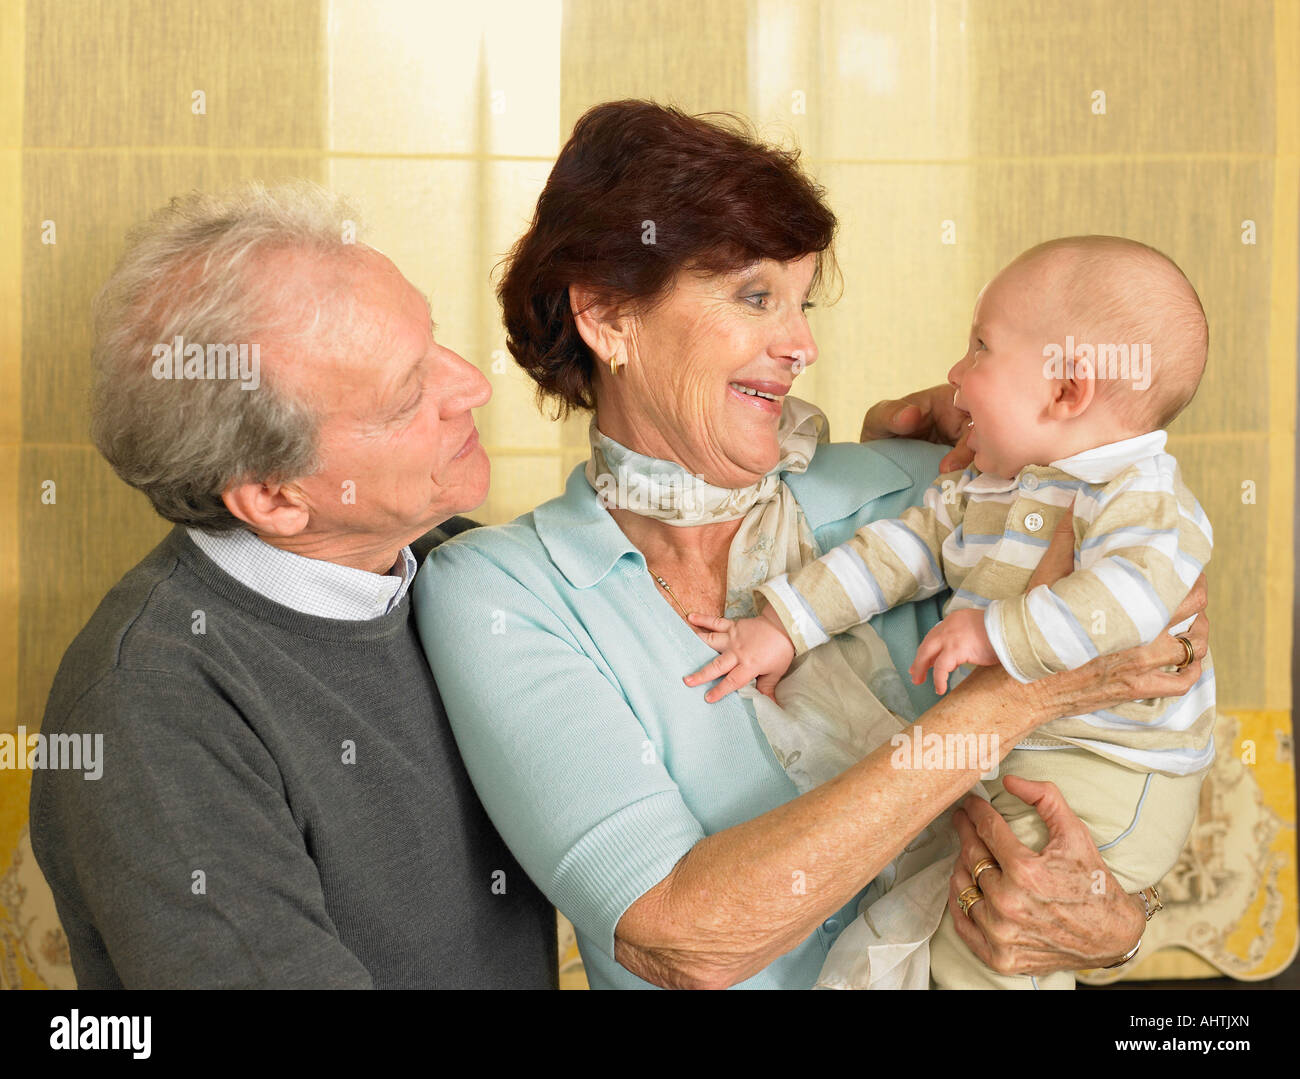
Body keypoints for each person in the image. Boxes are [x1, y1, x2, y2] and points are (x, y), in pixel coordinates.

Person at [412, 101, 1210, 990]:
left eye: (802, 303)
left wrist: (1112, 929)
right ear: (606, 316)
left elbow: (1146, 665)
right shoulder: (501, 594)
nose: (802, 346)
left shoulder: (930, 486)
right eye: (757, 297)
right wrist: (1002, 703)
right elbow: (682, 940)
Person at [30, 181, 557, 988]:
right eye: (407, 391)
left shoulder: (471, 569)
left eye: (434, 341)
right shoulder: (149, 707)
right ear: (275, 497)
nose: (472, 386)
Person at [687, 235, 1215, 988]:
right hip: (1035, 755)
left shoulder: (1143, 495)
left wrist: (996, 632)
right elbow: (896, 552)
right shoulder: (994, 483)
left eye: (980, 347)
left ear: (1066, 391)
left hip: (1113, 771)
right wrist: (784, 623)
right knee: (960, 914)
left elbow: (1129, 605)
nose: (956, 373)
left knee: (990, 934)